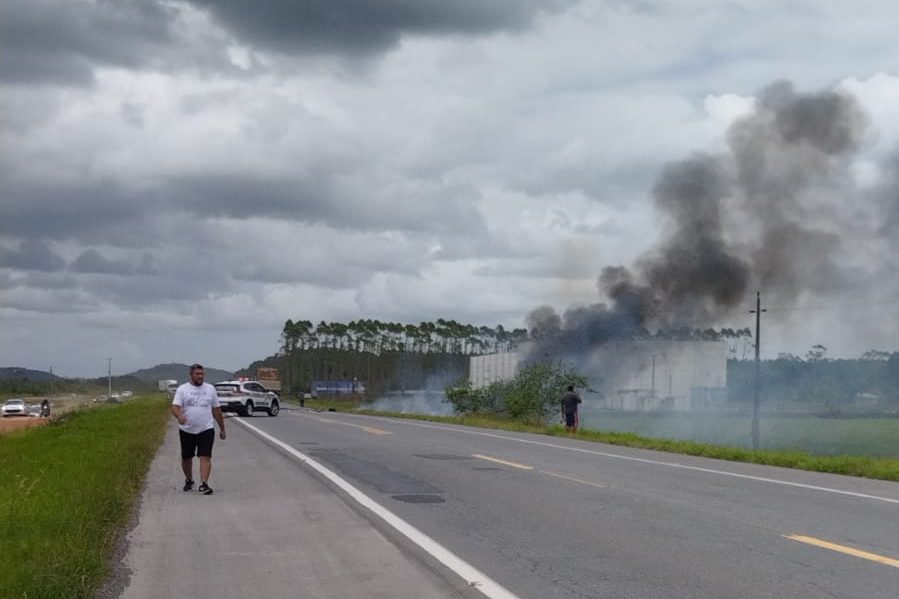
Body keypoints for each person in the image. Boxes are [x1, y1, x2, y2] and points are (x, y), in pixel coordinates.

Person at [171, 364, 226, 495]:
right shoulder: (183, 389)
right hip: (187, 430)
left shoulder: (210, 389)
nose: (200, 376)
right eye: (197, 374)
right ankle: (189, 479)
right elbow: (174, 406)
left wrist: (222, 428)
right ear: (191, 375)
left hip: (206, 428)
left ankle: (204, 483)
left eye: (202, 374)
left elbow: (217, 410)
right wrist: (179, 416)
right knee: (186, 457)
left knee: (205, 456)